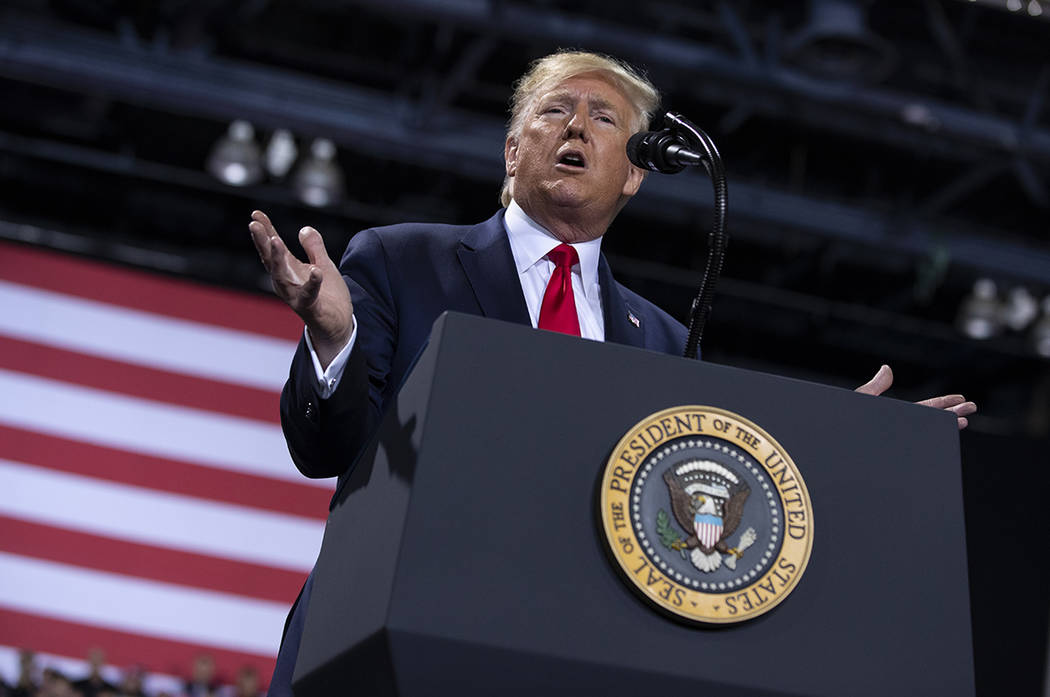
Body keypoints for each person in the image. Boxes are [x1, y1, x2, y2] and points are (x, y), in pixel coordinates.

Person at [250, 50, 976, 695]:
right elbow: (324, 450)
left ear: (634, 172)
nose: (576, 129)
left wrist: (850, 442)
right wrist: (334, 335)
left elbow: (696, 503)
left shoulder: (661, 339)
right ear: (511, 151)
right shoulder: (401, 261)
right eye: (555, 110)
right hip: (387, 644)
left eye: (604, 118)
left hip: (557, 654)